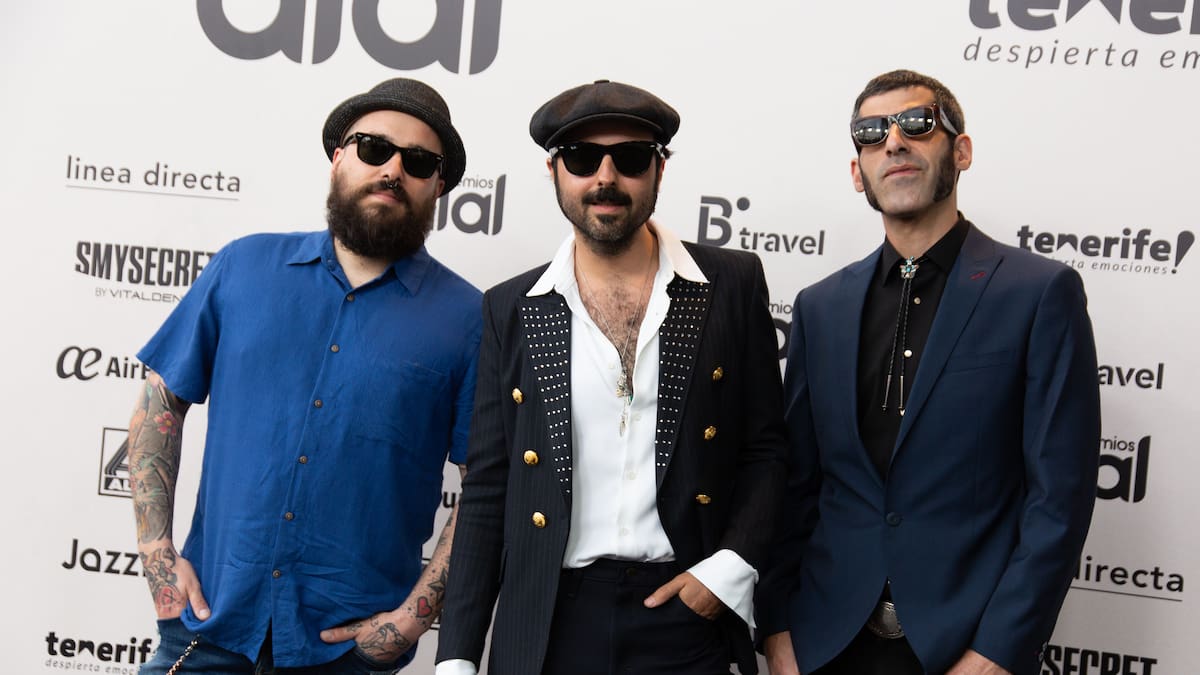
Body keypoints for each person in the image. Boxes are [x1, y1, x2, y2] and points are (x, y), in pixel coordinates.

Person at [433, 80, 788, 675]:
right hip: (549, 620)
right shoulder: (512, 307)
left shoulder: (730, 283)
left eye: (630, 157)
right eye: (580, 158)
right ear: (553, 171)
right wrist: (456, 658)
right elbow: (490, 487)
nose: (605, 177)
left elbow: (766, 450)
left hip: (687, 612)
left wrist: (726, 570)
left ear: (659, 169)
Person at [128, 77, 482, 674]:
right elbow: (160, 402)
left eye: (419, 162)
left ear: (438, 186)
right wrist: (157, 555)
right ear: (338, 157)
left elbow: (484, 485)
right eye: (374, 148)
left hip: (347, 654)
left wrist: (412, 618)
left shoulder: (470, 320)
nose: (393, 170)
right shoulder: (243, 267)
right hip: (209, 630)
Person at [757, 69, 1101, 675]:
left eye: (916, 124)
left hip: (964, 648)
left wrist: (996, 653)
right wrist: (778, 629)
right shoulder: (820, 306)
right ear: (858, 171)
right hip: (825, 644)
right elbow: (795, 486)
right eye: (871, 133)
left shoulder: (1039, 293)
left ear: (960, 151)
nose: (893, 142)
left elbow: (1059, 500)